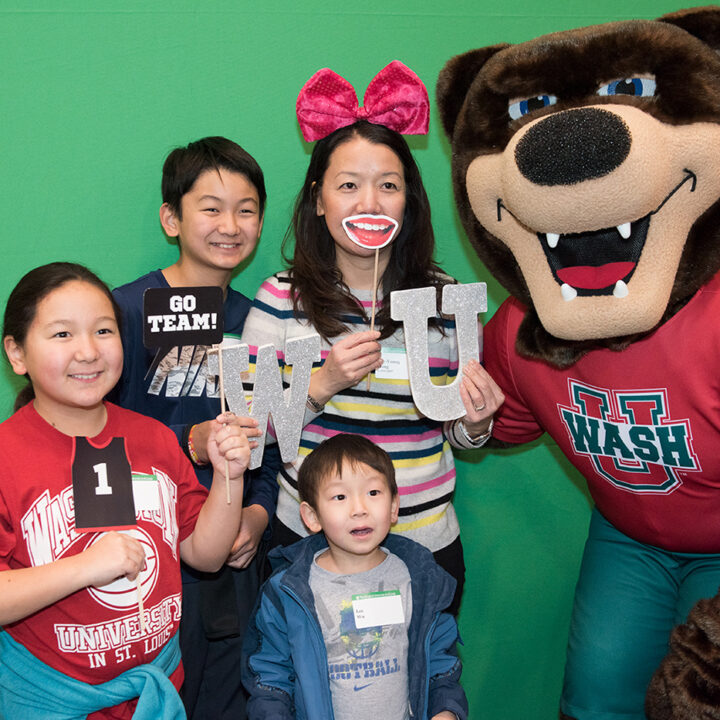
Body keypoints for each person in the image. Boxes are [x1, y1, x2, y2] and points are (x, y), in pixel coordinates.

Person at [241, 64, 503, 615]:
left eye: (388, 185)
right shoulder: (277, 298)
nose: (370, 203)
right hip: (308, 545)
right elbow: (252, 433)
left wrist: (476, 423)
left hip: (423, 545)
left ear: (408, 201)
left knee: (419, 692)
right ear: (318, 199)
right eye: (348, 186)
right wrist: (326, 381)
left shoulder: (445, 300)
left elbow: (457, 434)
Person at [0, 262, 250, 719]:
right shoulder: (6, 455)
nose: (88, 352)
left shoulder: (152, 437)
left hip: (157, 691)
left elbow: (205, 554)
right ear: (17, 354)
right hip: (53, 699)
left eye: (103, 331)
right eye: (62, 335)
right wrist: (87, 567)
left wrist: (229, 476)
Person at [110, 136, 280, 719]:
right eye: (210, 207)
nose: (230, 224)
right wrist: (191, 441)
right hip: (144, 564)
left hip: (233, 566)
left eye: (247, 209)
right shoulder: (125, 313)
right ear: (171, 218)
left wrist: (257, 516)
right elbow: (93, 439)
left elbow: (275, 436)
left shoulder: (261, 319)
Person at [243, 433, 468, 719]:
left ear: (394, 506)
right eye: (340, 497)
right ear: (311, 517)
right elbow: (270, 680)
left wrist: (445, 710)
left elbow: (439, 663)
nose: (359, 509)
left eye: (373, 493)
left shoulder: (419, 579)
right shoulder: (288, 591)